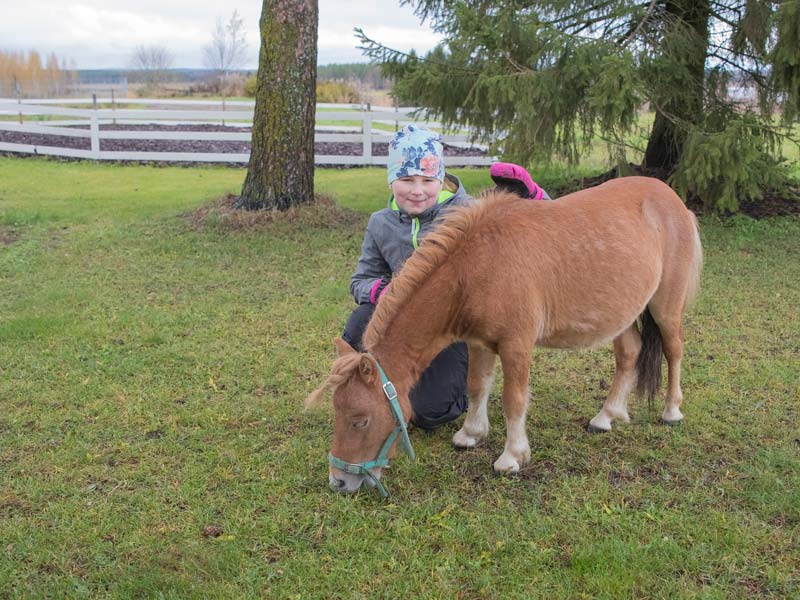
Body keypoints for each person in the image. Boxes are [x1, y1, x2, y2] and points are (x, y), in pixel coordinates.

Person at [343, 124, 550, 430]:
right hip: (409, 322)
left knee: (429, 413)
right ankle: (369, 389)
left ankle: (461, 389)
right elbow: (360, 280)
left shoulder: (467, 213)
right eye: (406, 179)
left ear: (440, 179)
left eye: (427, 180)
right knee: (359, 324)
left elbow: (543, 231)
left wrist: (534, 196)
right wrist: (383, 292)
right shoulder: (380, 224)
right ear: (391, 181)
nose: (416, 190)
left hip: (455, 329)